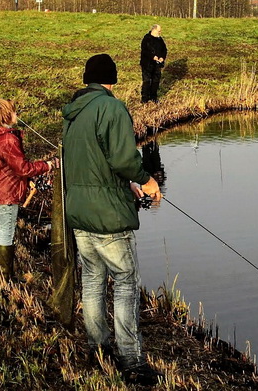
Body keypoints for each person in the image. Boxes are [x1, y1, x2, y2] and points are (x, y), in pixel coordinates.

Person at [62, 54, 163, 386]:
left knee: (92, 279)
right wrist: (146, 179)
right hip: (107, 216)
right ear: (112, 79)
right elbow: (122, 157)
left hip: (79, 210)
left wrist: (127, 184)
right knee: (124, 282)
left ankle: (98, 347)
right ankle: (132, 361)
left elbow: (94, 161)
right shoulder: (113, 108)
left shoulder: (73, 113)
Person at [0, 99, 58, 280]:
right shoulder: (8, 139)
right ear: (6, 116)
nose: (17, 115)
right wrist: (47, 165)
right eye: (14, 112)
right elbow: (22, 168)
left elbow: (14, 167)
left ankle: (5, 274)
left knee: (4, 229)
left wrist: (28, 180)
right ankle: (6, 277)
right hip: (6, 193)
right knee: (6, 231)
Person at [140, 24, 167, 103]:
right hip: (147, 64)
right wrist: (152, 56)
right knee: (147, 81)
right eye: (159, 31)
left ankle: (154, 97)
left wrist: (162, 57)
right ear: (154, 30)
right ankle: (144, 99)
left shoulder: (160, 40)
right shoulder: (146, 39)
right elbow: (145, 50)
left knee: (156, 81)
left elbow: (164, 50)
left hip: (157, 64)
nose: (160, 32)